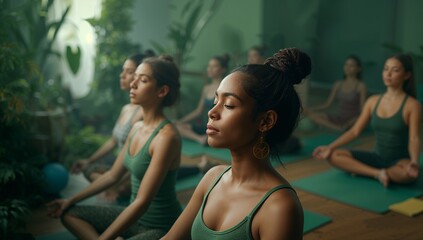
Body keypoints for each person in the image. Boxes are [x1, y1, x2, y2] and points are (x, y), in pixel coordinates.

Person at [162, 47, 311, 240]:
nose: (212, 112)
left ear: (266, 121)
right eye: (216, 100)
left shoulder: (279, 207)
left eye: (229, 105)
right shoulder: (212, 178)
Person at [47, 55, 182, 240]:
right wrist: (70, 200)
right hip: (133, 218)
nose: (133, 84)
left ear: (162, 91)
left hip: (161, 228)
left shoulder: (167, 137)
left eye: (142, 80)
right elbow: (112, 176)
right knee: (69, 213)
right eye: (134, 77)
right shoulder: (136, 128)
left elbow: (142, 202)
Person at [313, 53, 421, 187]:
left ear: (407, 75)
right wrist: (329, 147)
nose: (388, 74)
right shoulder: (373, 101)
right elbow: (355, 132)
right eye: (386, 69)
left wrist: (414, 161)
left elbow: (414, 138)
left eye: (395, 70)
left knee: (408, 173)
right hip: (375, 158)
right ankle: (377, 173)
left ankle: (366, 171)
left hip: (399, 162)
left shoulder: (412, 105)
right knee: (333, 155)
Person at [70, 51, 155, 201]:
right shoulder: (126, 109)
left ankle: (114, 188)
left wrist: (115, 184)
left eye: (129, 72)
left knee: (116, 183)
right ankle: (111, 187)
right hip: (120, 170)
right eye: (123, 71)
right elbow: (113, 141)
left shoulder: (144, 114)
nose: (122, 76)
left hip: (132, 174)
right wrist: (89, 160)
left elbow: (138, 160)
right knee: (89, 169)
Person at [176, 54, 230, 145]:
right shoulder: (206, 88)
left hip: (217, 127)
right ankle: (200, 139)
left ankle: (206, 138)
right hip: (205, 126)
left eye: (214, 66)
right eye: (209, 66)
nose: (210, 69)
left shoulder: (225, 88)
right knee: (177, 126)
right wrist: (181, 121)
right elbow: (198, 111)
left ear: (223, 69)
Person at [305, 55, 367, 131]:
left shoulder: (361, 86)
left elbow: (363, 111)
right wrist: (311, 109)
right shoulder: (338, 84)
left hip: (353, 120)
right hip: (339, 118)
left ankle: (341, 128)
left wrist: (352, 122)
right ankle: (338, 128)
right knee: (313, 116)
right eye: (346, 64)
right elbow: (327, 104)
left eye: (352, 65)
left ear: (358, 69)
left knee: (356, 120)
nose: (348, 67)